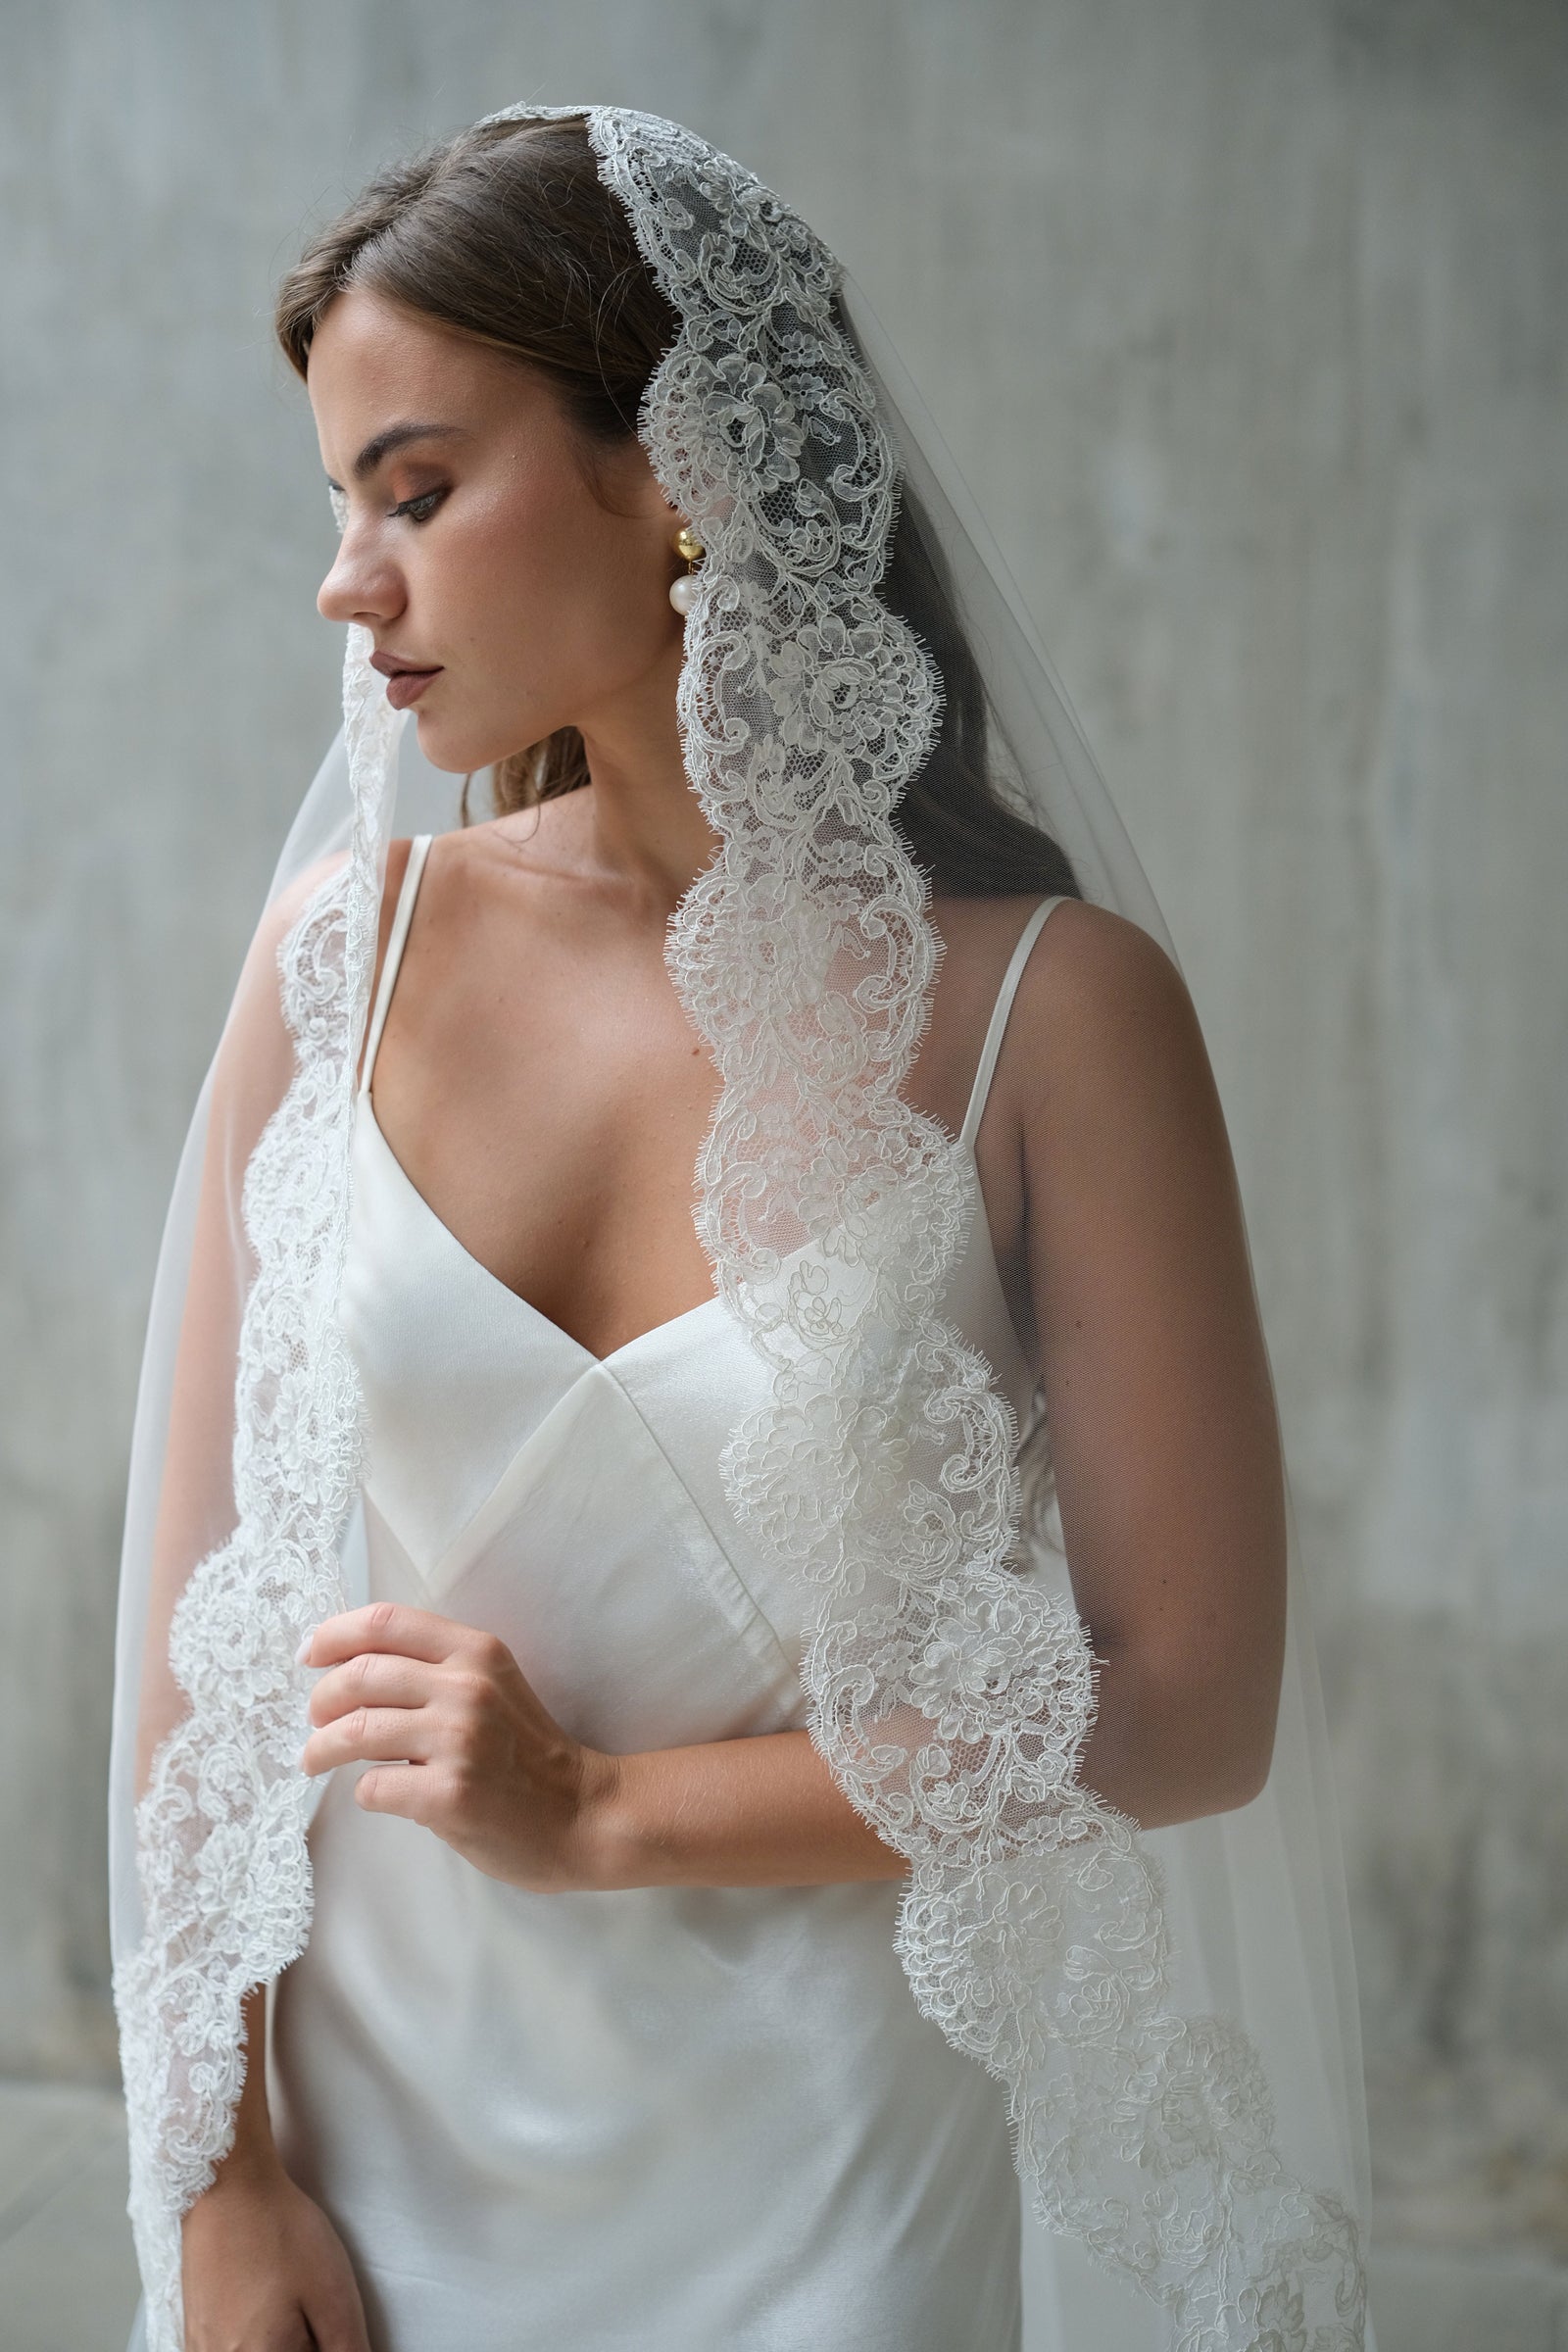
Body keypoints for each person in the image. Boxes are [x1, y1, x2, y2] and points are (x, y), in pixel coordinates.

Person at [109, 106, 1374, 2352]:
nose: (345, 579)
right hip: (367, 2163)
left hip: (824, 2182)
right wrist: (225, 2181)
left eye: (415, 488)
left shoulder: (1051, 1019)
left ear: (674, 466)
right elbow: (199, 1667)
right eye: (338, 504)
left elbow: (1186, 1707)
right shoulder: (344, 958)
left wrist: (599, 1808)